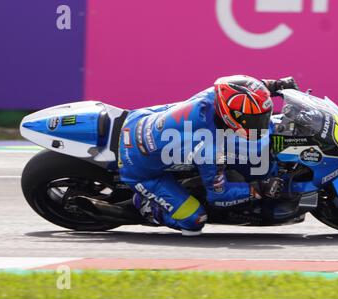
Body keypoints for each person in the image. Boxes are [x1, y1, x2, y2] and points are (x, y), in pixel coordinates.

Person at [118, 75, 299, 235]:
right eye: (253, 120)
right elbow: (219, 196)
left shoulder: (215, 96)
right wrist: (259, 189)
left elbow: (248, 89)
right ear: (230, 116)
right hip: (138, 168)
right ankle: (146, 206)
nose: (261, 123)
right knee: (195, 221)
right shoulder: (210, 149)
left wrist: (276, 85)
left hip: (138, 119)